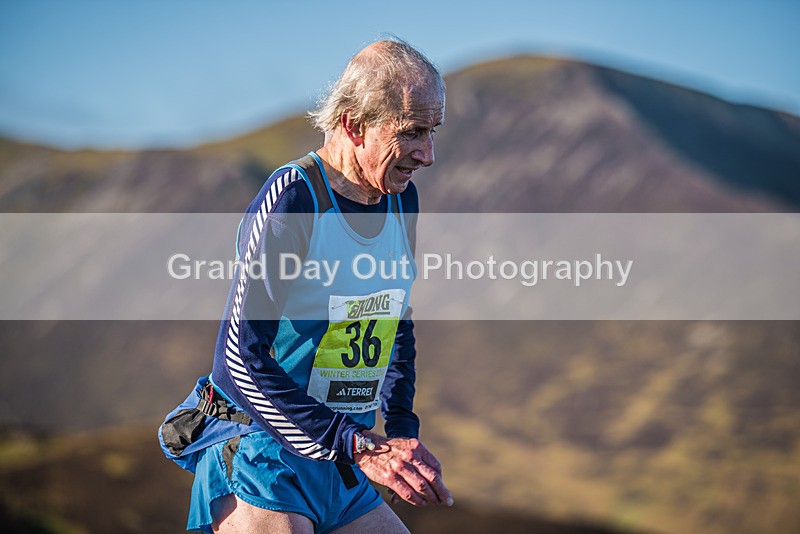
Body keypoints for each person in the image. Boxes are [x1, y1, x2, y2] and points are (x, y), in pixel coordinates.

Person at [159, 39, 451, 533]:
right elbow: (241, 357)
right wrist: (358, 445)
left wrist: (401, 429)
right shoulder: (293, 199)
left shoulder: (402, 199)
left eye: (433, 131)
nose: (428, 154)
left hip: (340, 458)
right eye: (412, 132)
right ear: (353, 124)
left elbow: (393, 318)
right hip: (261, 453)